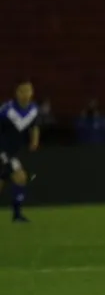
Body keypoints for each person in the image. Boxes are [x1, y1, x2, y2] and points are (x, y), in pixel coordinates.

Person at [0, 81, 40, 223]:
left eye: (28, 90)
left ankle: (17, 215)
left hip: (15, 151)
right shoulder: (6, 110)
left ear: (32, 92)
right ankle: (17, 216)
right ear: (16, 93)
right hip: (3, 150)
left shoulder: (33, 109)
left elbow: (34, 125)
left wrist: (35, 140)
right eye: (22, 91)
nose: (25, 94)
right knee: (20, 176)